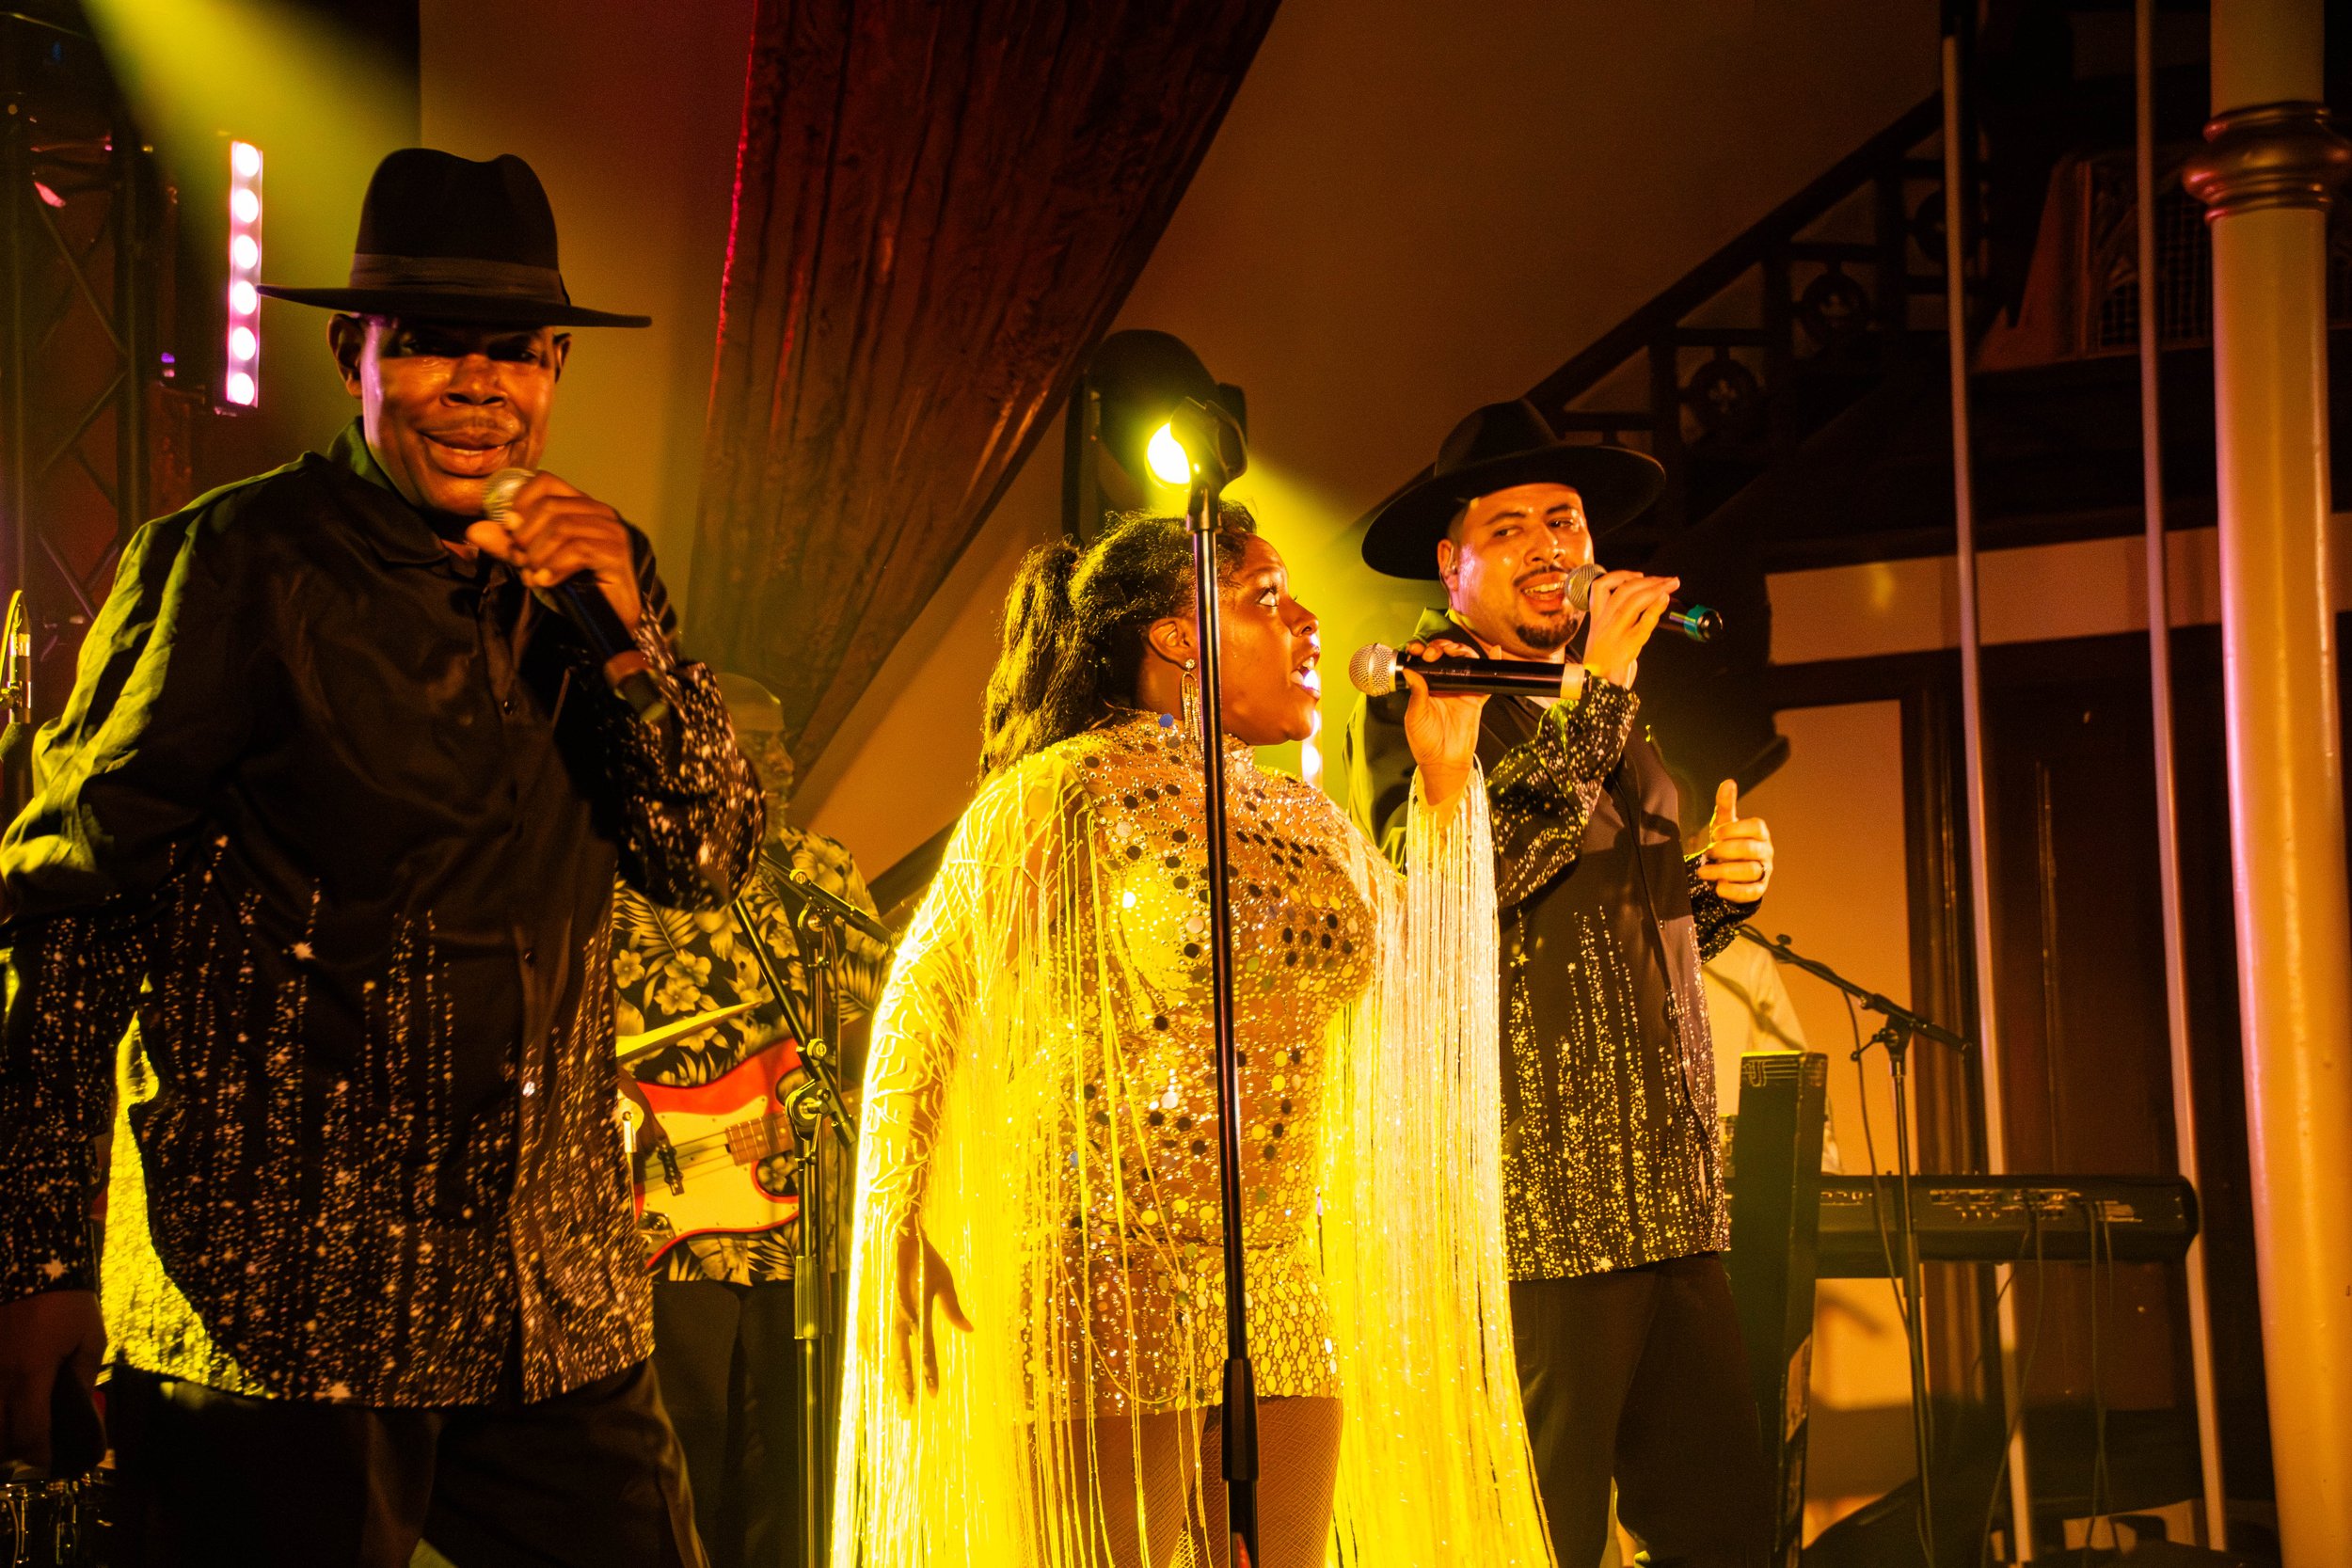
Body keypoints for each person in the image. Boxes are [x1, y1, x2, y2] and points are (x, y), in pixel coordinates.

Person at [0, 149, 762, 1567]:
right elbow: (68, 910)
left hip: (551, 1301)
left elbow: (703, 854)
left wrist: (641, 653)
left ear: (551, 370)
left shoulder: (597, 572)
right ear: (355, 352)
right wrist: (35, 1253)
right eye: (433, 348)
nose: (483, 387)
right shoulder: (230, 561)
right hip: (284, 1310)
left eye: (517, 354)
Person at [830, 507, 1553, 1568]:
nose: (1310, 622)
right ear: (1175, 635)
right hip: (1106, 1265)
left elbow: (1426, 988)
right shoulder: (1060, 789)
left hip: (1275, 1272)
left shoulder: (1309, 817)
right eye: (1267, 597)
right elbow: (925, 999)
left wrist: (1445, 783)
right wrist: (896, 1209)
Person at [1346, 399, 1777, 1568]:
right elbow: (1462, 891)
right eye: (1513, 525)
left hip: (1669, 1193)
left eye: (1567, 521)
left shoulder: (1610, 703)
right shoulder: (1423, 700)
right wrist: (1597, 691)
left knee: (1727, 1531)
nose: (1552, 546)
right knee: (1544, 1537)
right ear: (1453, 562)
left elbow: (1608, 928)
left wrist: (1719, 891)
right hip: (1539, 1209)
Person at [612, 673, 890, 1568]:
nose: (773, 760)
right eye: (748, 738)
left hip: (802, 1222)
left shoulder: (818, 870)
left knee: (793, 1476)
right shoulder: (615, 867)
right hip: (662, 1222)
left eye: (781, 741)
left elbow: (863, 1036)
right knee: (679, 1463)